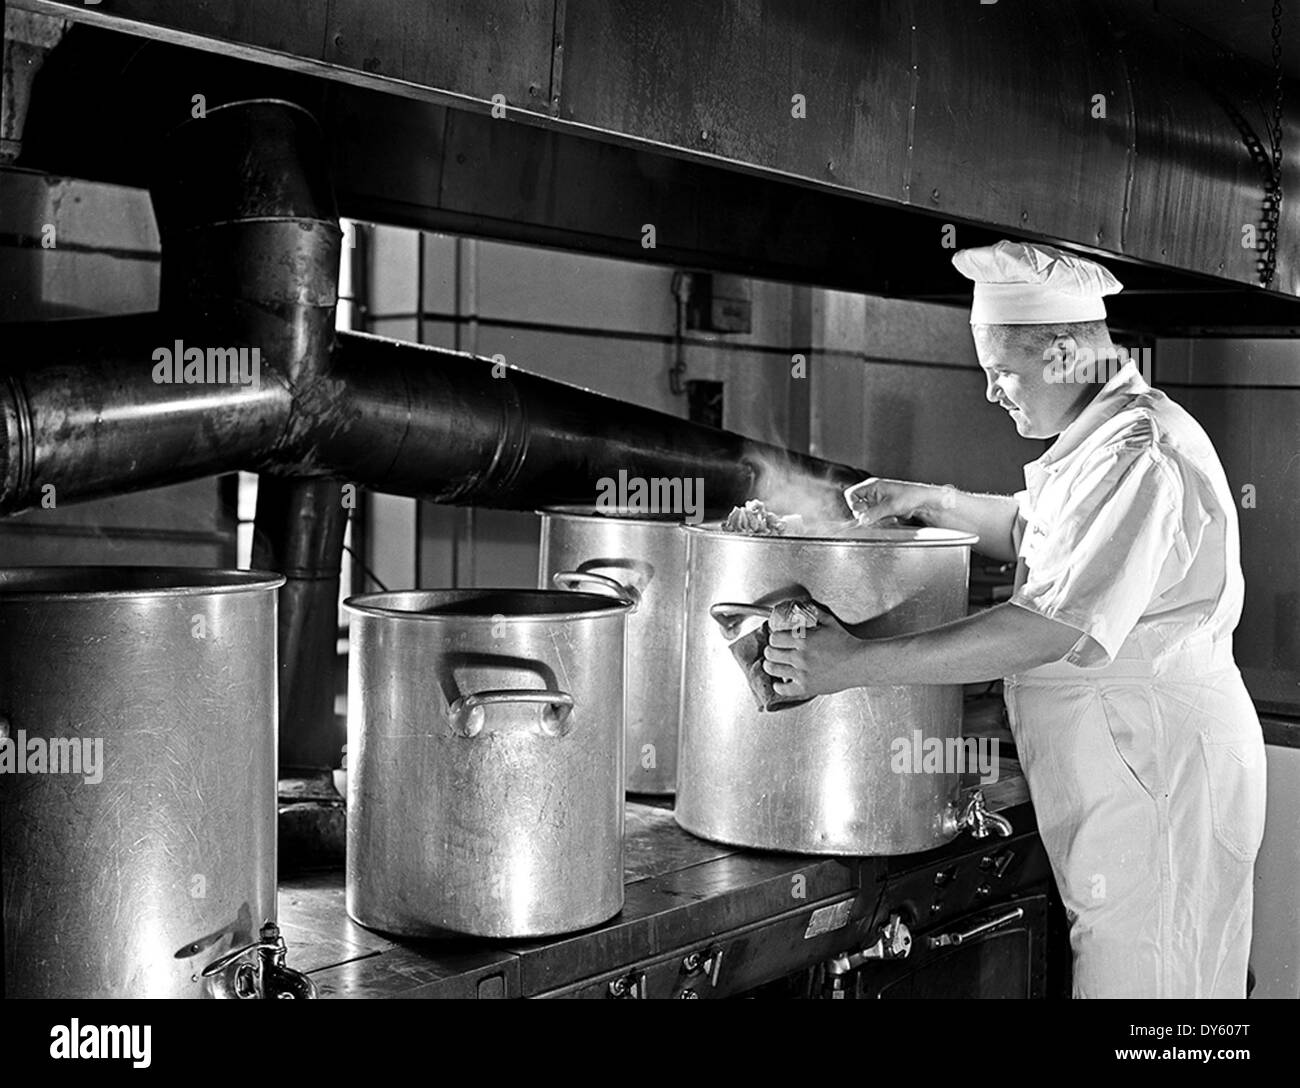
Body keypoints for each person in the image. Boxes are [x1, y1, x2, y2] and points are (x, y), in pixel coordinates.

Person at [763, 239, 1267, 998]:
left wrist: (851, 665)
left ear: (1064, 353)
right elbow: (1041, 530)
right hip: (1125, 766)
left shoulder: (1141, 451)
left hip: (1155, 772)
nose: (994, 394)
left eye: (1003, 373)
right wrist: (929, 499)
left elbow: (1043, 627)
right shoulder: (1100, 436)